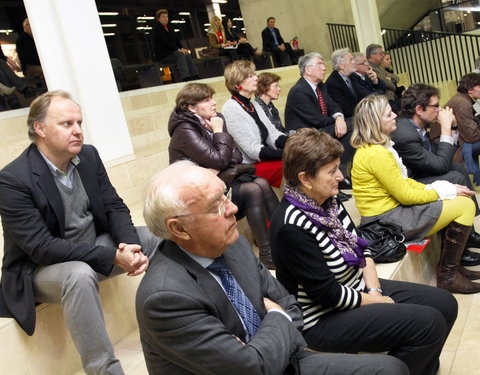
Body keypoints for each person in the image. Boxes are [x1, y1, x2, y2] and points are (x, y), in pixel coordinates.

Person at [136, 160, 410, 375]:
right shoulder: (165, 297)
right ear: (179, 228)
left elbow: (291, 307)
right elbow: (251, 367)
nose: (232, 208)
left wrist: (270, 332)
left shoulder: (233, 244)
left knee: (391, 369)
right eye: (215, 206)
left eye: (225, 195)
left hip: (285, 359)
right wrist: (277, 319)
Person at [270, 127, 458, 375]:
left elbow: (361, 248)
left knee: (444, 303)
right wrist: (376, 302)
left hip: (356, 289)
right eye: (331, 171)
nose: (340, 177)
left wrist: (375, 290)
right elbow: (328, 296)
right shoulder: (291, 226)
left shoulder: (327, 201)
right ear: (305, 178)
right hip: (322, 318)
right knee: (428, 325)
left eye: (338, 167)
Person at [0, 90, 161, 374]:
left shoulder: (87, 156)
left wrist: (129, 246)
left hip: (92, 246)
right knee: (78, 274)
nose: (77, 131)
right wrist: (112, 255)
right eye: (66, 124)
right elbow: (41, 247)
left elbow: (113, 205)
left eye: (79, 123)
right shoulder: (13, 179)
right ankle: (105, 370)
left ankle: (179, 325)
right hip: (42, 268)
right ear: (39, 128)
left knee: (154, 236)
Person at [351, 94, 480, 293]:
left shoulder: (377, 148)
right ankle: (448, 275)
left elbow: (406, 185)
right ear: (375, 122)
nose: (395, 115)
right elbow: (406, 195)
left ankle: (454, 269)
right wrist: (445, 190)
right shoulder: (376, 153)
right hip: (386, 222)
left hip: (392, 213)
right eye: (388, 114)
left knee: (458, 197)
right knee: (465, 205)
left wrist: (444, 189)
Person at [168, 82, 278, 269]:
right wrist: (218, 132)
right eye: (206, 100)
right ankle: (268, 254)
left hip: (220, 179)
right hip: (197, 190)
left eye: (211, 98)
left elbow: (234, 155)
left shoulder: (214, 118)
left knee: (261, 183)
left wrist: (217, 164)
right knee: (253, 189)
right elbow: (220, 159)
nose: (213, 103)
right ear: (191, 107)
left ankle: (284, 237)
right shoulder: (184, 129)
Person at [392, 83, 480, 267]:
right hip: (409, 185)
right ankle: (460, 250)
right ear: (419, 109)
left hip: (421, 173)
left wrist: (452, 127)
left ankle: (467, 233)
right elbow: (439, 165)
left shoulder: (416, 125)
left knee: (458, 168)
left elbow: (441, 159)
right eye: (435, 106)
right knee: (453, 177)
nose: (439, 110)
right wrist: (446, 129)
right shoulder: (404, 133)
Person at [284, 52, 353, 196]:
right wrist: (338, 122)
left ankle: (339, 176)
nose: (324, 68)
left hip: (319, 129)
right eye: (320, 64)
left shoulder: (320, 86)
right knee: (351, 125)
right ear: (308, 70)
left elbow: (333, 105)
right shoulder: (299, 91)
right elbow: (316, 119)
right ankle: (340, 177)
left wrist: (339, 117)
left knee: (350, 124)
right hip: (304, 136)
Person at [222, 60, 286, 188]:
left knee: (304, 156)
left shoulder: (253, 104)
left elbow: (274, 134)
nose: (256, 78)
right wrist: (288, 153)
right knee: (296, 163)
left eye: (254, 74)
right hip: (250, 166)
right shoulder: (231, 108)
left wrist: (296, 142)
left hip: (262, 159)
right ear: (237, 83)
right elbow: (253, 150)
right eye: (250, 76)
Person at [445, 73, 480, 185]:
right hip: (454, 145)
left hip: (458, 140)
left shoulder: (461, 99)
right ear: (470, 90)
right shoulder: (463, 104)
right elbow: (472, 136)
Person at [152, 9, 199, 82]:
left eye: (167, 17)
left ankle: (195, 75)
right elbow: (166, 43)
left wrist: (181, 48)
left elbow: (177, 40)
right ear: (158, 19)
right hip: (164, 55)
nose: (165, 19)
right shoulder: (157, 30)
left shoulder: (170, 28)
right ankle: (185, 77)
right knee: (180, 54)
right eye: (163, 17)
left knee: (186, 53)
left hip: (172, 52)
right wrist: (178, 49)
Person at [325, 48, 361, 118]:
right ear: (341, 65)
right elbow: (344, 110)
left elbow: (362, 95)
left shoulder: (353, 76)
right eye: (351, 60)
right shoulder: (332, 84)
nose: (354, 62)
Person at [366, 44, 399, 112]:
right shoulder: (370, 67)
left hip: (392, 98)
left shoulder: (380, 67)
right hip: (384, 101)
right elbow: (386, 83)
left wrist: (388, 79)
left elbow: (396, 78)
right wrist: (389, 81)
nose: (383, 55)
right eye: (381, 54)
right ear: (373, 55)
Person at [16, 18, 44, 84]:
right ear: (25, 26)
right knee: (44, 71)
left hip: (37, 64)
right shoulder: (21, 40)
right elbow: (27, 58)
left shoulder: (36, 38)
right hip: (30, 67)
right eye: (30, 25)